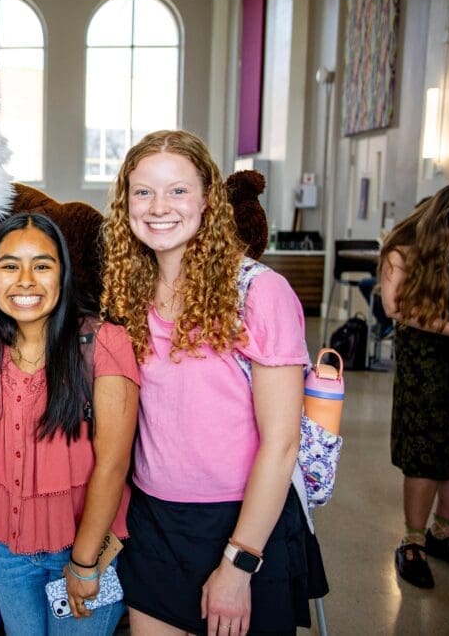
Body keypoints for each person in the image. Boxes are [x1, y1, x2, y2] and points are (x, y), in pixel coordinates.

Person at [102, 130, 324, 635]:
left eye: (178, 190)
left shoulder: (258, 292)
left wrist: (239, 562)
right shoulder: (130, 292)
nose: (159, 207)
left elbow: (282, 441)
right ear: (126, 202)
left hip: (243, 521)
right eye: (143, 192)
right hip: (155, 519)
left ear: (207, 200)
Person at [0, 213, 139, 635]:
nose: (25, 280)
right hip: (8, 552)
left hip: (82, 550)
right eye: (10, 266)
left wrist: (83, 563)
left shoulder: (102, 343)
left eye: (42, 266)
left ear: (63, 275)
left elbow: (113, 466)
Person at [380, 185, 449, 590]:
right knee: (424, 453)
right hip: (424, 366)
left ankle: (443, 532)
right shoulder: (402, 252)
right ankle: (413, 542)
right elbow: (398, 310)